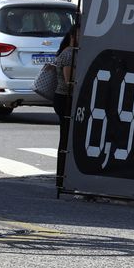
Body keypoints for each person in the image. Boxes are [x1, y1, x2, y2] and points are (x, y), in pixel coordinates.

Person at [53, 23, 78, 189]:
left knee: (66, 138)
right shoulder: (69, 54)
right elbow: (70, 81)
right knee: (66, 140)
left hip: (63, 99)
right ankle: (62, 179)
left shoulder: (69, 52)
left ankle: (63, 178)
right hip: (65, 99)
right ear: (73, 36)